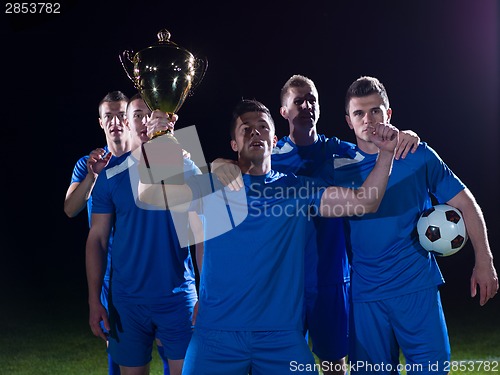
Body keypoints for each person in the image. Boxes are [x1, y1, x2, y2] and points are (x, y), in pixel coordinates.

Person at [138, 99, 399, 374]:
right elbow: (149, 194)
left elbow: (365, 202)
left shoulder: (297, 188)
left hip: (281, 337)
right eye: (245, 128)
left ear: (274, 141)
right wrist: (157, 140)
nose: (254, 132)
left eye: (262, 127)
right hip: (216, 334)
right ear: (234, 144)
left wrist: (386, 154)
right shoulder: (214, 183)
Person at [213, 75, 419, 375]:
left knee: (334, 365)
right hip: (280, 285)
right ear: (283, 112)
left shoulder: (341, 152)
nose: (307, 105)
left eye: (312, 100)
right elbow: (172, 195)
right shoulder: (266, 160)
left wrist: (405, 137)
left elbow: (372, 165)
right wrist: (220, 164)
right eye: (298, 101)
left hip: (331, 277)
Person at [332, 76, 498, 374]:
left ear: (389, 114)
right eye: (359, 113)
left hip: (416, 288)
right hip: (366, 294)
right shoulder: (336, 164)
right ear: (348, 120)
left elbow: (466, 203)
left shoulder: (417, 154)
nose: (368, 119)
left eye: (375, 111)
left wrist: (484, 259)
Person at [85, 93, 201, 375]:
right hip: (127, 300)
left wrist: (206, 292)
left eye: (152, 115)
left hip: (178, 296)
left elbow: (203, 233)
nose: (145, 122)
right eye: (137, 115)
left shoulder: (184, 163)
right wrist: (93, 299)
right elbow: (97, 239)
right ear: (126, 121)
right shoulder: (111, 175)